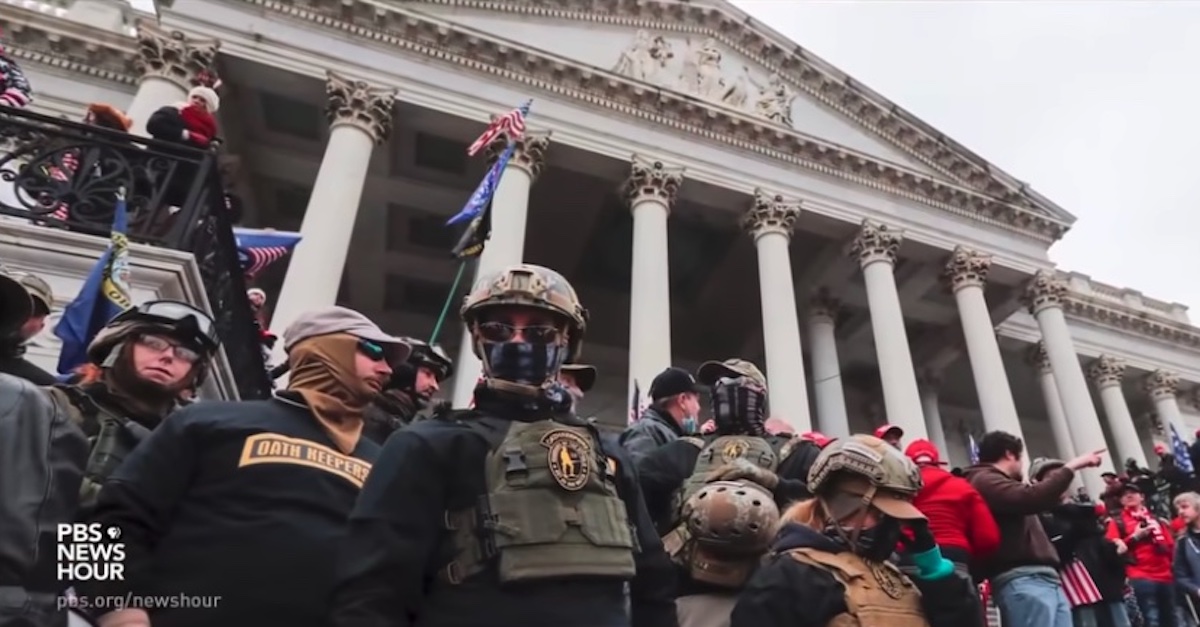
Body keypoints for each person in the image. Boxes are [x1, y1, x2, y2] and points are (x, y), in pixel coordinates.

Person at [328, 263, 677, 627]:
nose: (517, 342)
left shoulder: (609, 454)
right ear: (478, 338)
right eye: (498, 329)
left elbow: (653, 583)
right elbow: (371, 593)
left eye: (540, 332)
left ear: (566, 342)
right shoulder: (425, 445)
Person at [77, 306, 407, 627]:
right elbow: (103, 521)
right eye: (374, 351)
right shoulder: (207, 421)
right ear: (327, 348)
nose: (387, 370)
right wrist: (118, 613)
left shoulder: (386, 464)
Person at [2, 299, 221, 627]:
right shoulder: (48, 406)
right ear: (117, 345)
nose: (168, 356)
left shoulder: (199, 449)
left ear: (194, 374)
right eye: (153, 342)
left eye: (186, 354)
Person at [635, 358, 818, 627]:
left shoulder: (797, 453)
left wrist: (777, 485)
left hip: (772, 595)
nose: (727, 389)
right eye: (719, 383)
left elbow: (826, 505)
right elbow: (635, 500)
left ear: (759, 395)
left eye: (738, 382)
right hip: (688, 593)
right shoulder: (683, 451)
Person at [731, 434, 984, 627]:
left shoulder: (894, 574)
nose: (890, 525)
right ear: (844, 507)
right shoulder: (791, 574)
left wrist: (935, 568)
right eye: (879, 513)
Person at [964, 430, 1105, 627]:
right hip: (1023, 579)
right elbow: (1032, 497)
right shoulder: (985, 479)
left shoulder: (997, 483)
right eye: (1020, 458)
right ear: (1009, 454)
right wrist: (1073, 466)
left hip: (1042, 579)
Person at [1030, 458, 1132, 627]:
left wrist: (1116, 550)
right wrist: (1074, 532)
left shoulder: (1083, 511)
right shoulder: (1040, 517)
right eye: (1052, 477)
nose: (1061, 482)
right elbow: (1051, 553)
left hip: (1106, 586)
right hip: (1076, 591)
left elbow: (1100, 545)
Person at [903, 438, 999, 581]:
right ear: (936, 461)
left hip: (908, 555)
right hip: (954, 555)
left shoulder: (898, 487)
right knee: (959, 601)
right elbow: (988, 538)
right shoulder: (963, 486)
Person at [1108, 482, 1177, 627]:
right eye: (1124, 495)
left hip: (1166, 575)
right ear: (1121, 501)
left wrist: (1173, 568)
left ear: (1142, 497)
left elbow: (1170, 546)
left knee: (1172, 618)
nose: (1128, 495)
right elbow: (1112, 549)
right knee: (1151, 619)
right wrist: (1135, 536)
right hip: (1140, 575)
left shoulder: (1157, 520)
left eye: (1133, 492)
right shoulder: (1117, 522)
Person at [362, 338, 452, 444]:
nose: (435, 386)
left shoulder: (411, 423)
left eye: (437, 380)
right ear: (405, 371)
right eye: (428, 374)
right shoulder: (369, 417)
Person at [619, 366, 704, 462]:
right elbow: (638, 473)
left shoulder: (659, 432)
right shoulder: (645, 431)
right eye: (696, 400)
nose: (699, 408)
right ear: (682, 400)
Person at [0, 270, 56, 384]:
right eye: (6, 304)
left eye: (34, 311)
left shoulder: (43, 386)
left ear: (41, 326)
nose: (21, 315)